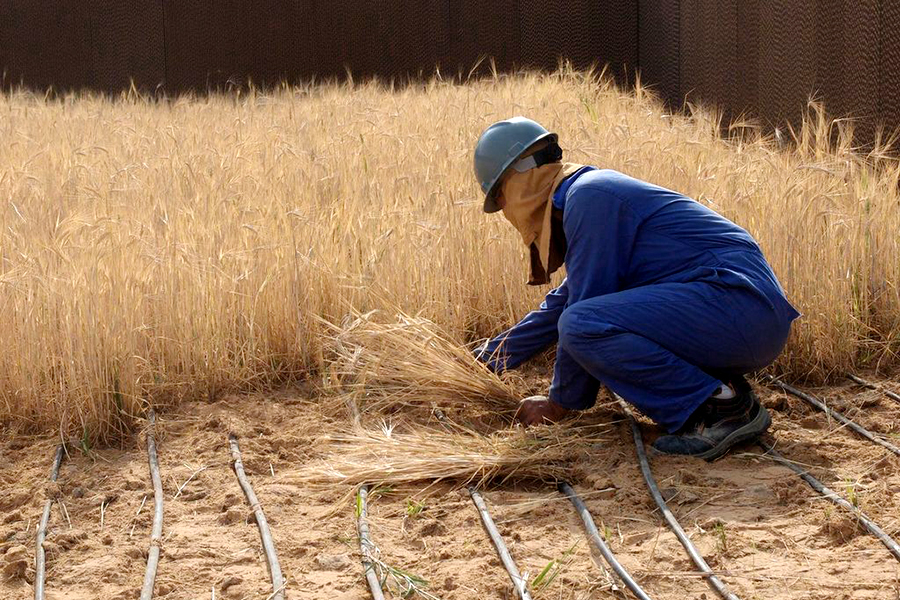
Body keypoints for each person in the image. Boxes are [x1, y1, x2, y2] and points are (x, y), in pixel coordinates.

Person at [472, 117, 801, 460]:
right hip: (736, 313)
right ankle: (721, 393)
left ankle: (721, 411)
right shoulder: (588, 194)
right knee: (581, 318)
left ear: (521, 178)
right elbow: (566, 299)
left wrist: (559, 404)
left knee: (581, 324)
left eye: (500, 196)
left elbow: (581, 311)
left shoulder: (590, 197)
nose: (506, 212)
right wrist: (485, 361)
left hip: (737, 307)